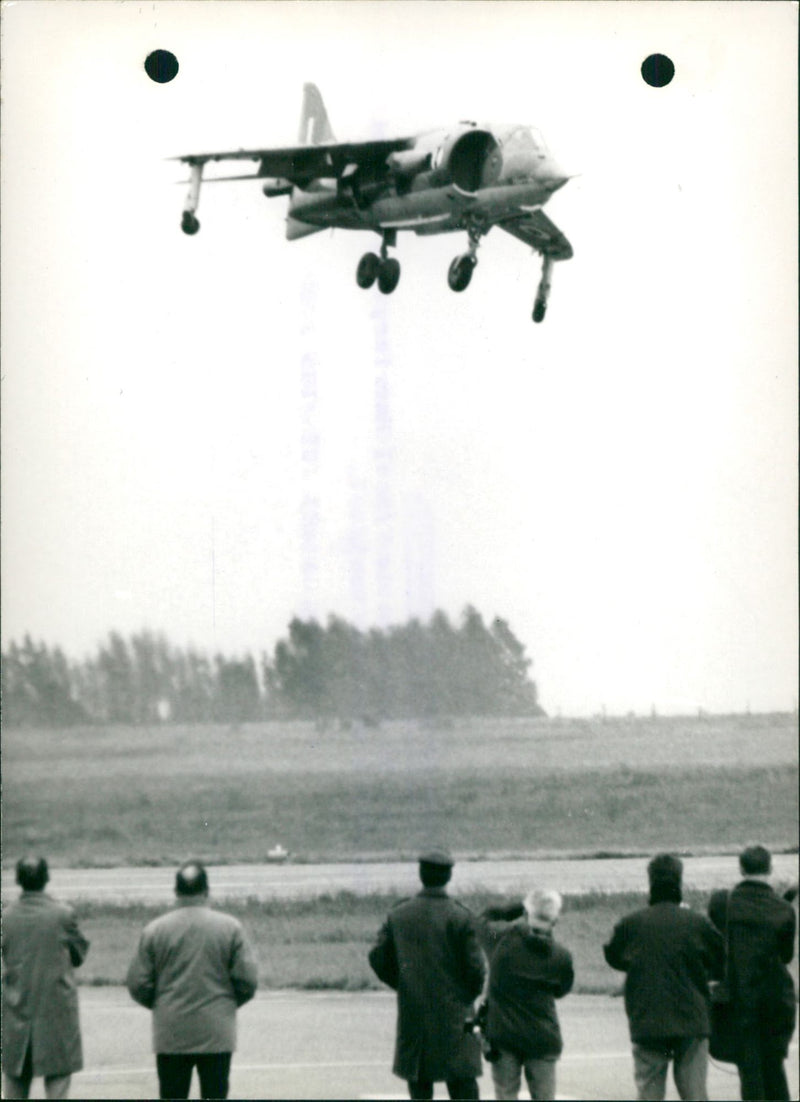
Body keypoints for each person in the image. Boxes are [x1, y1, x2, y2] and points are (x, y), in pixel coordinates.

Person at [126, 860, 258, 1100]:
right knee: (215, 1094)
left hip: (171, 1033)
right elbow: (247, 981)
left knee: (173, 1094)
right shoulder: (230, 928)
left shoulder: (155, 930)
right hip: (216, 1031)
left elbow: (137, 984)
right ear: (207, 891)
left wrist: (162, 1003)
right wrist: (226, 1004)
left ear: (176, 892)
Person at [603, 853, 724, 1102]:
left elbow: (614, 956)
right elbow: (720, 958)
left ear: (651, 882)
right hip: (691, 1018)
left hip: (648, 1018)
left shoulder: (630, 924)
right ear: (679, 882)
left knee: (649, 1092)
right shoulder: (697, 923)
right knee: (695, 1093)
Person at [368, 848, 487, 1100]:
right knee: (463, 1084)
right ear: (448, 876)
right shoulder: (461, 916)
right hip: (455, 1014)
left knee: (419, 1082)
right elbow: (477, 970)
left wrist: (403, 983)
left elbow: (378, 958)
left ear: (421, 874)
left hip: (415, 1009)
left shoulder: (399, 914)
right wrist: (464, 997)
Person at [707, 843, 797, 1101]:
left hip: (739, 1000)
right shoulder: (783, 910)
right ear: (770, 868)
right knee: (774, 1070)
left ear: (741, 868)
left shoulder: (724, 903)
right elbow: (786, 955)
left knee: (751, 1075)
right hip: (777, 1001)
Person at [1, 857, 90, 1100]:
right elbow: (79, 954)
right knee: (58, 1081)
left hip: (17, 1009)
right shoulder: (63, 914)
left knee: (15, 1082)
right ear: (46, 878)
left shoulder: (6, 917)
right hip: (55, 1013)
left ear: (18, 880)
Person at [478, 889, 574, 1101]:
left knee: (505, 1094)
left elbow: (483, 920)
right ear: (554, 919)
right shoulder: (561, 956)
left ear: (527, 913)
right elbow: (561, 990)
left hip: (503, 1035)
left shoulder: (499, 941)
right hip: (543, 1038)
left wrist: (517, 907)